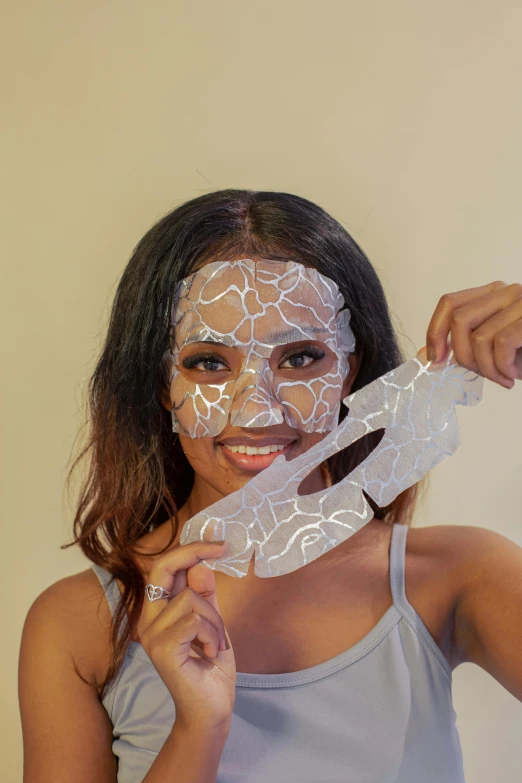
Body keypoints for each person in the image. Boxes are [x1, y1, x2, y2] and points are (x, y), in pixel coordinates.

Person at [18, 189, 522, 783]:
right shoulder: (79, 624)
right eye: (208, 362)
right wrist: (199, 726)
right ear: (160, 383)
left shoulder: (458, 576)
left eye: (302, 357)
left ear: (348, 369)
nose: (257, 410)